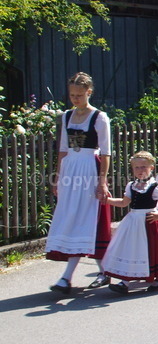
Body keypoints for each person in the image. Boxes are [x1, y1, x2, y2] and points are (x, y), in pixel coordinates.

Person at [47, 72, 113, 295]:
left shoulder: (99, 117)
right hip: (70, 170)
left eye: (79, 94)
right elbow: (63, 149)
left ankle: (68, 277)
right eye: (72, 95)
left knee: (86, 219)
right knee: (72, 217)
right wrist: (58, 176)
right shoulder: (66, 116)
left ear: (89, 92)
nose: (75, 98)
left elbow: (105, 152)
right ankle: (102, 271)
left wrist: (102, 181)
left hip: (88, 168)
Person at [101, 151, 158, 295]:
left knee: (147, 251)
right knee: (130, 249)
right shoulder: (131, 185)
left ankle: (156, 279)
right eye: (137, 167)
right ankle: (124, 281)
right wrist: (108, 200)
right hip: (132, 222)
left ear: (151, 168)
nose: (140, 170)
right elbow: (124, 202)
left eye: (144, 167)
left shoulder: (155, 187)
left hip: (148, 223)